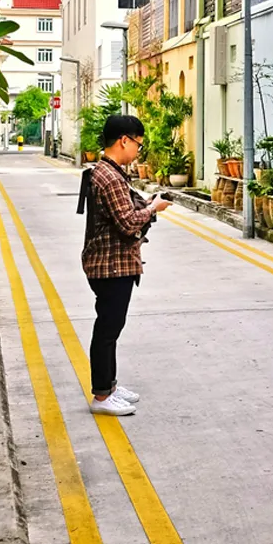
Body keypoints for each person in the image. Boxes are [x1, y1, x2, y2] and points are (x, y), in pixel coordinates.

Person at [80, 114, 171, 416]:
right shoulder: (109, 176)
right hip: (110, 265)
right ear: (124, 140)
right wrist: (153, 209)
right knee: (107, 330)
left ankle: (110, 387)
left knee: (111, 328)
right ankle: (102, 397)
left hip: (114, 264)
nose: (137, 152)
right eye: (138, 146)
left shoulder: (110, 173)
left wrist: (146, 206)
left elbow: (126, 213)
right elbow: (127, 222)